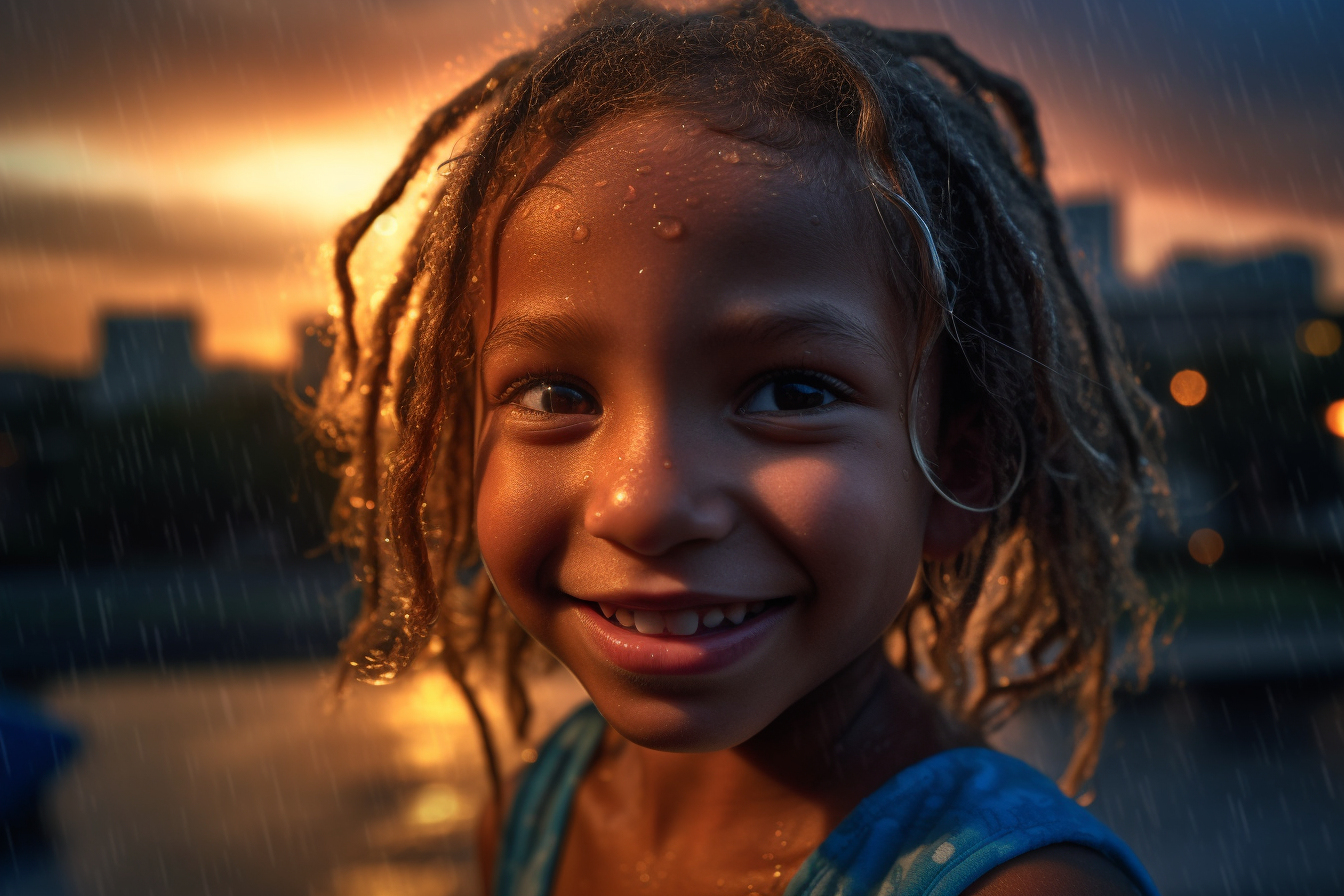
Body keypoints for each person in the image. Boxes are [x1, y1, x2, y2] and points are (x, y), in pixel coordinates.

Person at [310, 1, 1170, 893]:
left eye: (792, 393)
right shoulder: (533, 815)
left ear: (958, 467)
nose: (643, 502)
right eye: (557, 395)